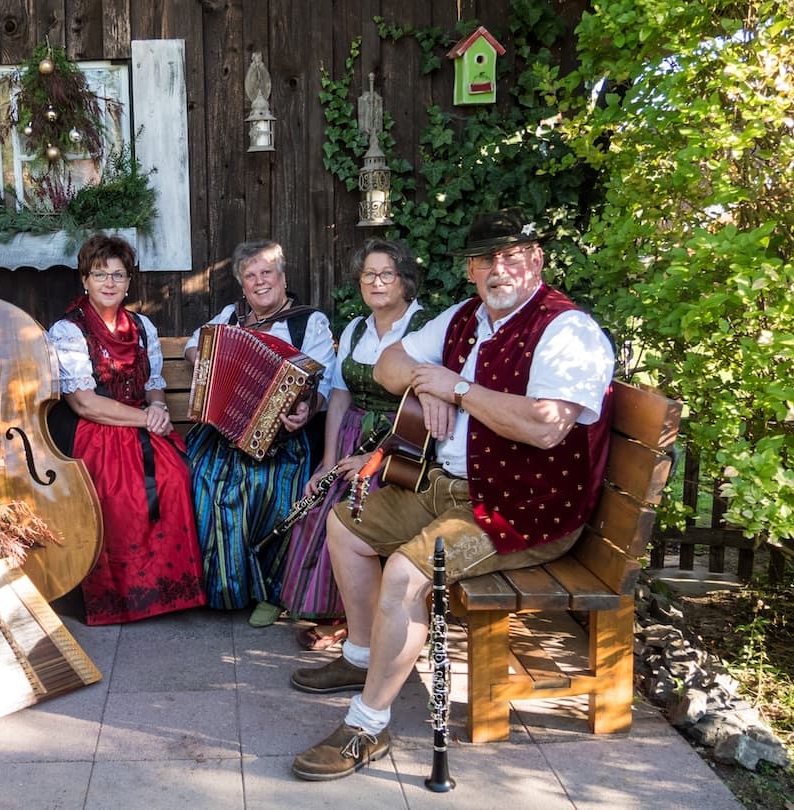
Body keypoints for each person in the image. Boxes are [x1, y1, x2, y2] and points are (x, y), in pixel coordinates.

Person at [289, 208, 615, 781]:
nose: (498, 268)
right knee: (345, 524)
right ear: (469, 269)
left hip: (519, 509)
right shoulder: (466, 316)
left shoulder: (567, 330)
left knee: (406, 576)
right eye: (486, 258)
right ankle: (362, 657)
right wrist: (422, 378)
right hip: (442, 487)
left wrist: (458, 388)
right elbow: (389, 358)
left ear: (536, 258)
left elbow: (545, 425)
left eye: (512, 255)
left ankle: (367, 724)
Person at [279, 239, 431, 650]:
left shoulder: (424, 329)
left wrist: (373, 457)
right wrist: (329, 460)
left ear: (405, 282)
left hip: (405, 446)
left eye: (386, 274)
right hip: (353, 433)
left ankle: (363, 623)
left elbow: (426, 409)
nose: (376, 282)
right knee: (322, 499)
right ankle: (341, 614)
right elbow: (341, 395)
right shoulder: (356, 329)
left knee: (357, 507)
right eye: (368, 275)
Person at [48, 233, 205, 625]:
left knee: (176, 474)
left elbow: (152, 382)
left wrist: (156, 407)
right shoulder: (69, 331)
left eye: (118, 275)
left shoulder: (141, 326)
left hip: (140, 422)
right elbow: (83, 402)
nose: (109, 283)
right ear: (84, 279)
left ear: (129, 281)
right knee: (119, 491)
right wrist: (147, 419)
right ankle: (122, 598)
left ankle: (166, 593)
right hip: (94, 428)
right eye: (100, 274)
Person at [184, 240, 336, 627]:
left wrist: (306, 408)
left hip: (282, 438)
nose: (259, 282)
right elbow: (193, 345)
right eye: (250, 276)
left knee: (271, 487)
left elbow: (325, 383)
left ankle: (271, 592)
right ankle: (224, 590)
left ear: (282, 277)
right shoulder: (231, 317)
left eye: (266, 272)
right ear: (242, 285)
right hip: (225, 433)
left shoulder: (308, 322)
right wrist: (207, 358)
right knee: (208, 480)